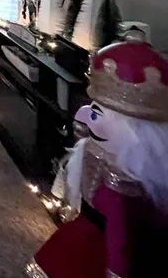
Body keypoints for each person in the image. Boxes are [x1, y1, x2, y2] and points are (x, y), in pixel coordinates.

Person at [26, 31, 168, 278]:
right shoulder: (112, 169)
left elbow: (120, 240)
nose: (83, 117)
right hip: (94, 249)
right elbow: (120, 241)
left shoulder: (111, 172)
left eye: (96, 112)